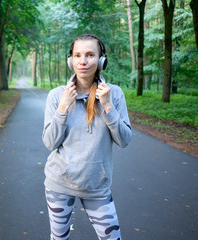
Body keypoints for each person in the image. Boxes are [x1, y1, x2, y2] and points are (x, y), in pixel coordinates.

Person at [42, 34, 132, 240]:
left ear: (101, 60)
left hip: (97, 186)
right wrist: (63, 107)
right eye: (77, 55)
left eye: (90, 55)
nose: (83, 61)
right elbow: (49, 142)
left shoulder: (114, 94)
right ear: (70, 60)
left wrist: (107, 106)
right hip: (59, 184)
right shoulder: (57, 95)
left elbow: (124, 140)